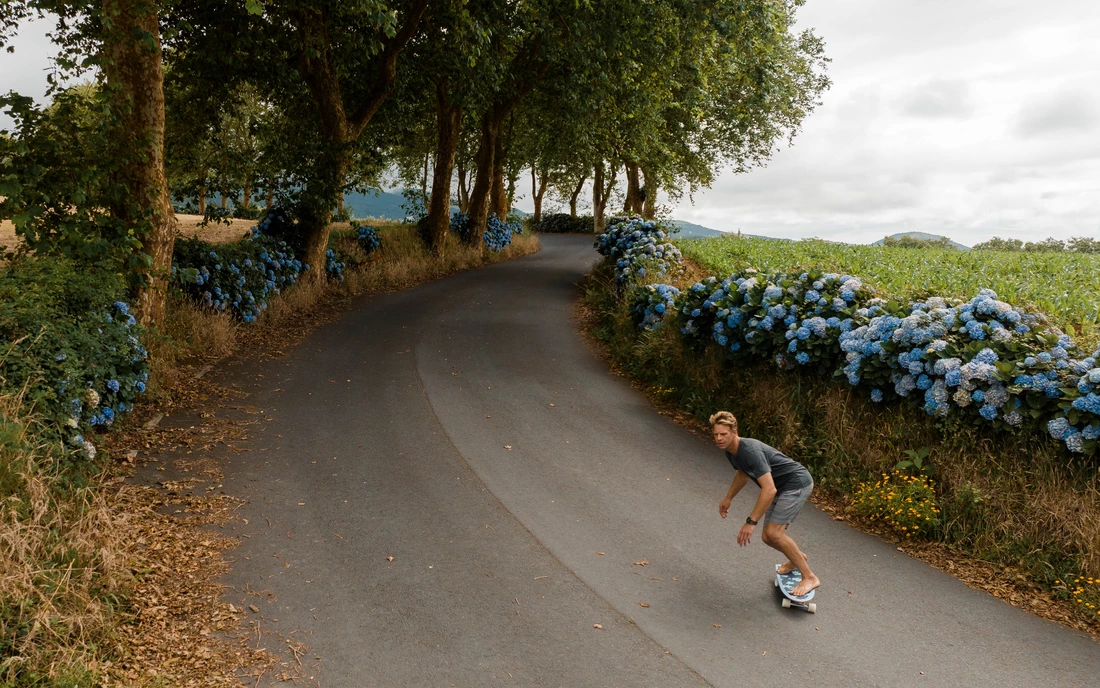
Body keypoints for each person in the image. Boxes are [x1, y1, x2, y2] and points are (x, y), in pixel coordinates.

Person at [711, 411, 820, 596]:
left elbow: (769, 490)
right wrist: (728, 498)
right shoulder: (731, 451)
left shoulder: (750, 450)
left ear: (734, 432)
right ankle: (797, 558)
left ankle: (809, 577)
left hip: (796, 484)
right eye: (716, 435)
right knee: (768, 537)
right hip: (781, 486)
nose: (719, 438)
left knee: (774, 533)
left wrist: (750, 522)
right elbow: (742, 473)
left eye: (724, 434)